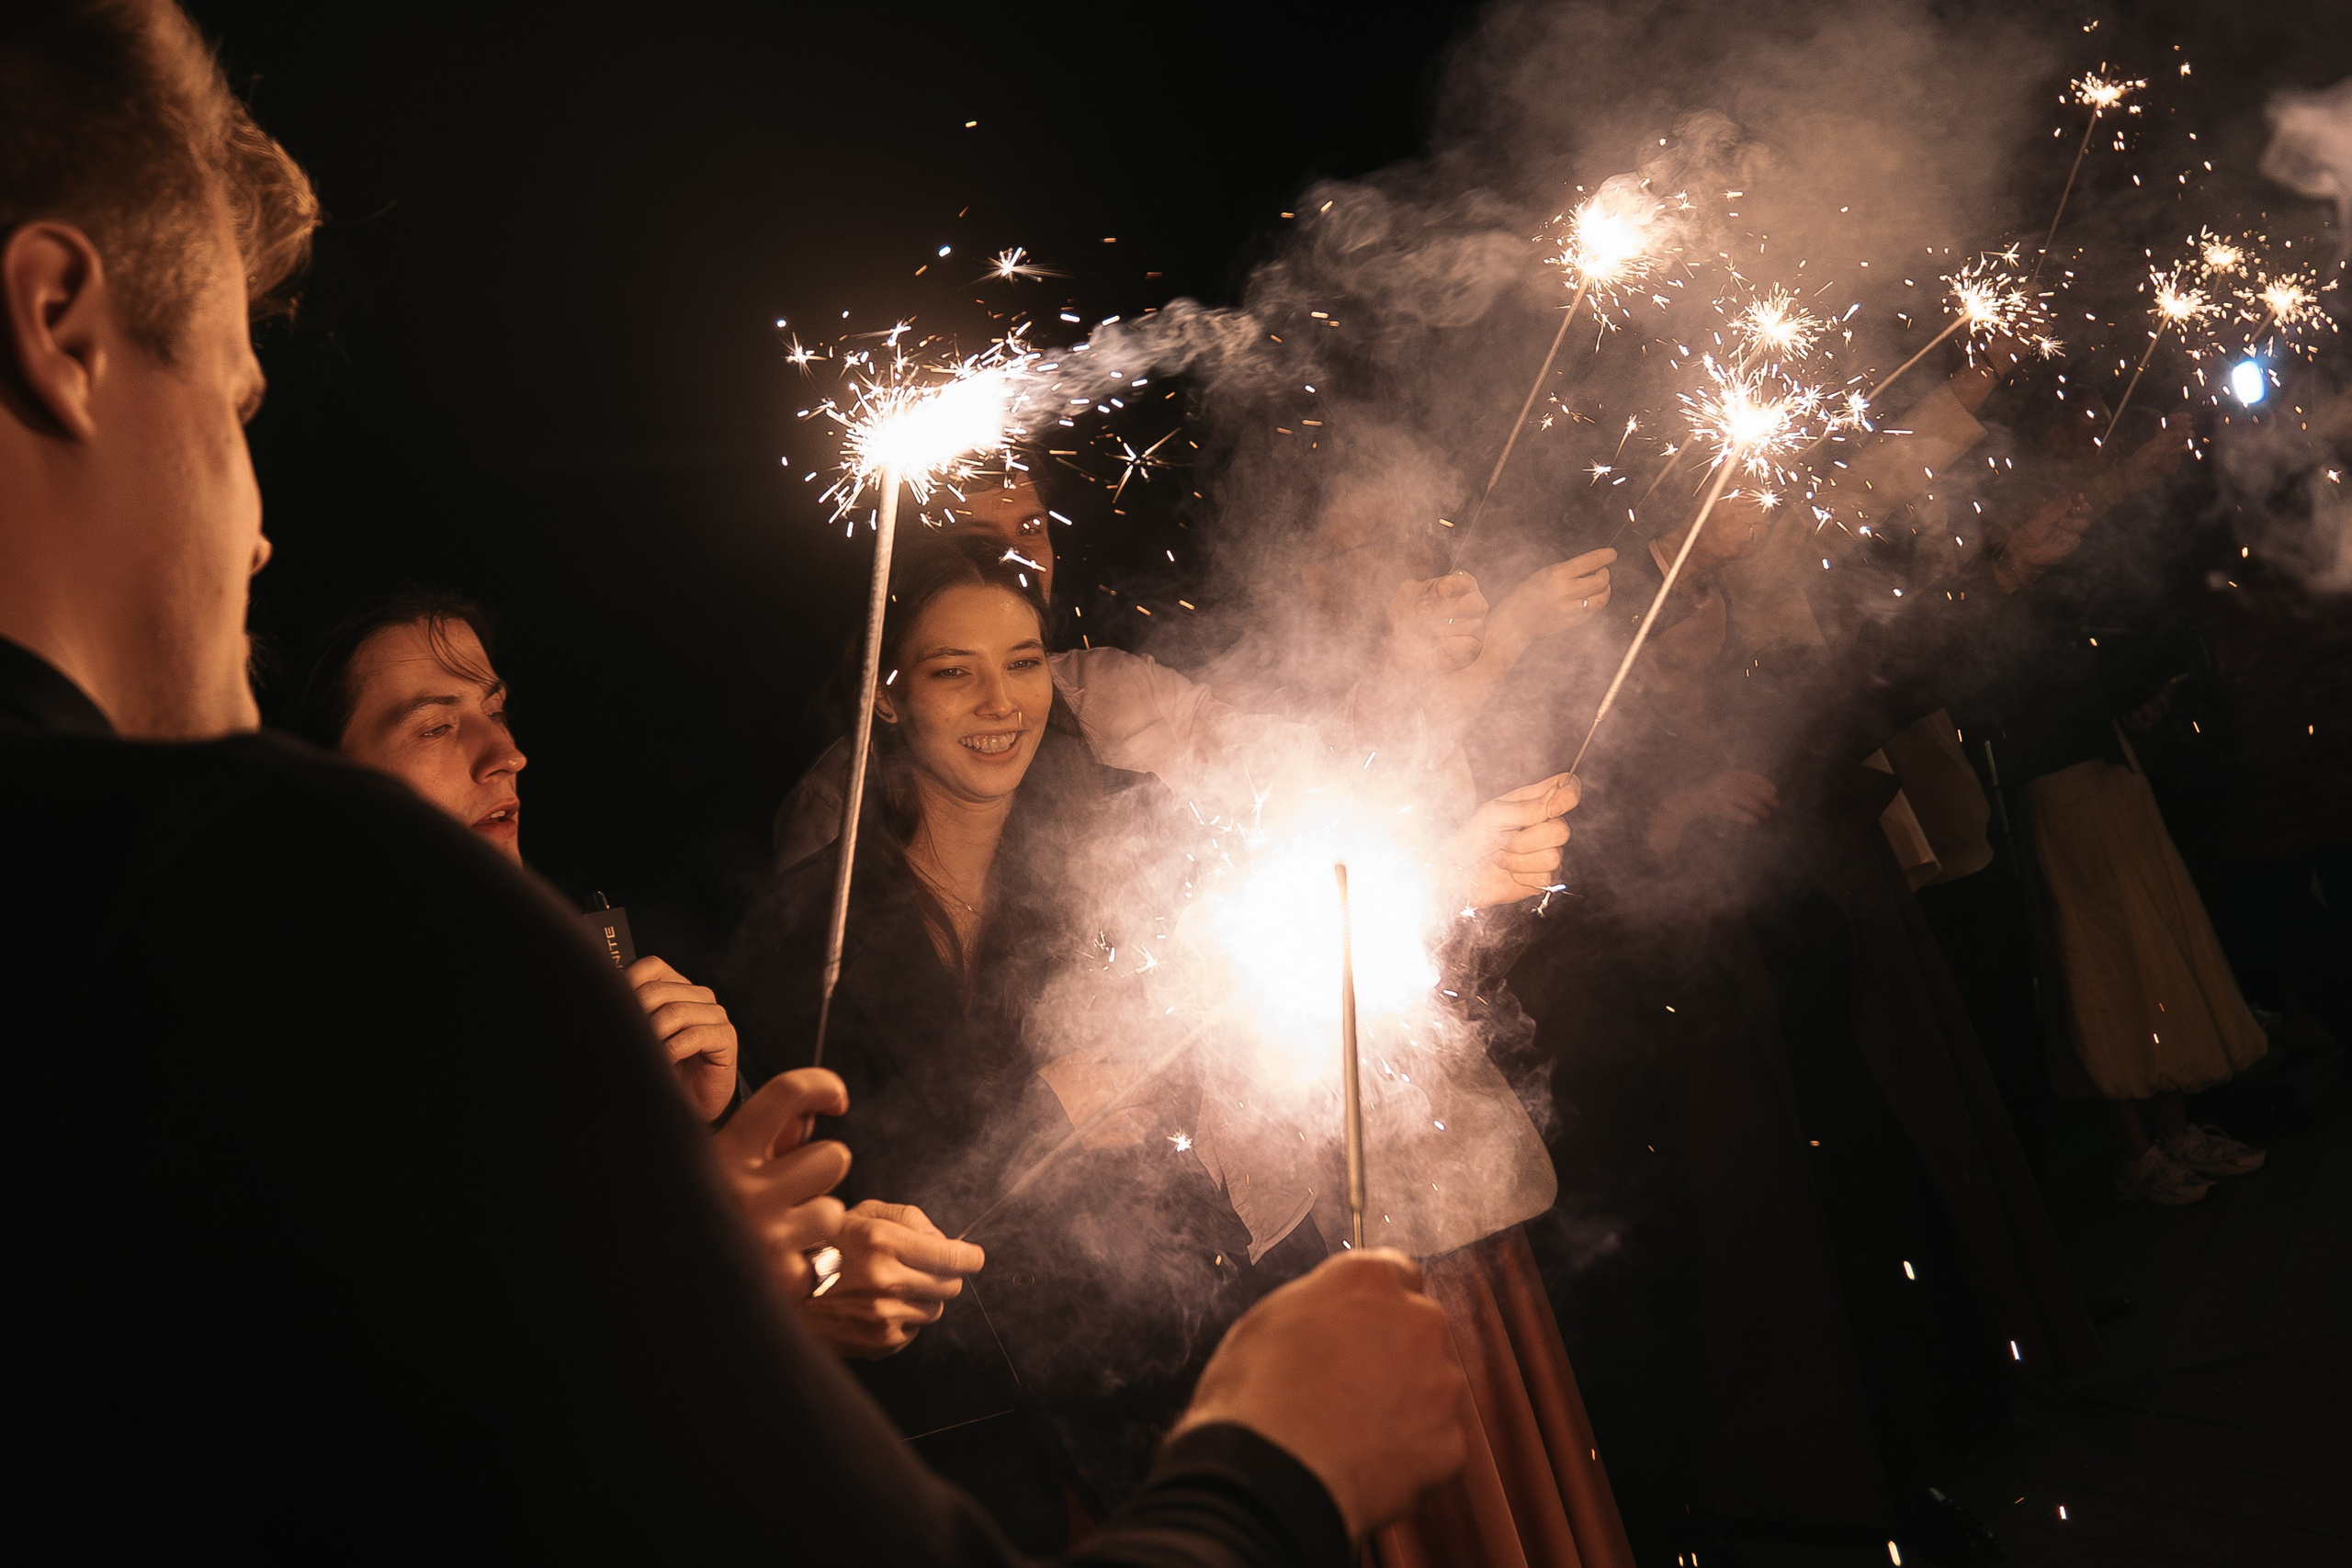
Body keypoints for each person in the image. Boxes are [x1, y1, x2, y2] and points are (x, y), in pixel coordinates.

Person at [0, 4, 1473, 1557]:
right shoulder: (289, 908)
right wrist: (1278, 1462)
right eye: (234, 406)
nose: (255, 532)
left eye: (1025, 663)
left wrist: (688, 1262)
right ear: (60, 324)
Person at [727, 530, 1585, 1552]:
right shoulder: (809, 937)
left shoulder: (1114, 840)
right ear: (888, 693)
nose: (1001, 703)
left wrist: (1442, 875)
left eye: (1023, 663)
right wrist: (1045, 1112)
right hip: (976, 1451)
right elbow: (848, 1214)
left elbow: (1256, 958)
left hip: (1184, 1371)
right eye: (954, 673)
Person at [293, 588, 739, 1121]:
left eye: (496, 711)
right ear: (320, 782)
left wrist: (690, 1118)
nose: (508, 755)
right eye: (435, 727)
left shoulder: (553, 974)